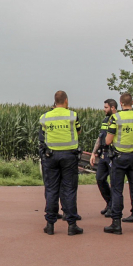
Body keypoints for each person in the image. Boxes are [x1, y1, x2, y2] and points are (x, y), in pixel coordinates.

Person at [103, 93, 133, 235]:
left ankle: (116, 223)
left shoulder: (116, 118)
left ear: (121, 103)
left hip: (119, 158)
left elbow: (108, 141)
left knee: (117, 190)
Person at [39, 90, 83, 236]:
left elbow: (43, 133)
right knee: (69, 189)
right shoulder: (72, 115)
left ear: (54, 101)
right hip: (69, 156)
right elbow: (79, 130)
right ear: (66, 101)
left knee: (51, 189)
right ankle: (72, 225)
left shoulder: (45, 117)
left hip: (51, 156)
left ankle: (50, 225)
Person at [90, 99, 118, 217]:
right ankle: (109, 202)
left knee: (114, 182)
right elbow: (100, 137)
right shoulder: (105, 120)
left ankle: (113, 207)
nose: (104, 109)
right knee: (100, 179)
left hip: (114, 155)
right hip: (103, 155)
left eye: (106, 107)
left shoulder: (118, 119)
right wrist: (93, 152)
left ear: (112, 107)